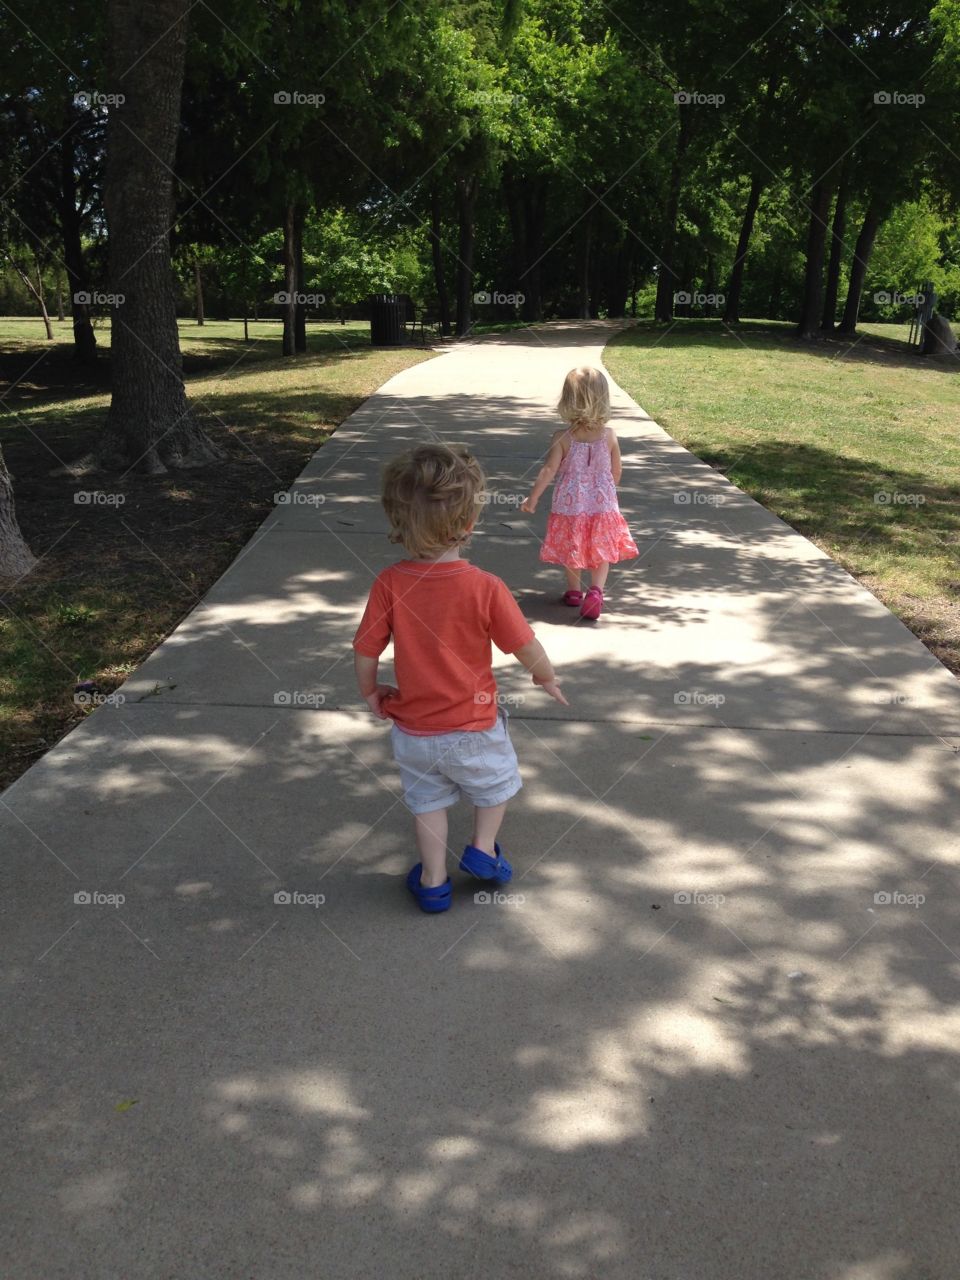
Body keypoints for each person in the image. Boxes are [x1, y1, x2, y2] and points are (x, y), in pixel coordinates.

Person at [353, 442, 567, 914]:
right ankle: (484, 849)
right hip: (475, 726)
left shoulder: (389, 583)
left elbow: (366, 647)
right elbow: (523, 645)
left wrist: (370, 691)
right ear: (469, 524)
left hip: (415, 730)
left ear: (397, 521)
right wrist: (544, 677)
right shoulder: (484, 586)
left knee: (427, 803)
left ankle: (432, 881)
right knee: (494, 788)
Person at [521, 366, 638, 619]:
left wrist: (534, 497)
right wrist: (608, 491)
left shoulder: (561, 437)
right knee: (601, 547)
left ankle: (574, 592)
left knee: (572, 545)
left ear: (568, 400)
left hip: (570, 505)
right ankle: (596, 591)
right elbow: (617, 470)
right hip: (602, 504)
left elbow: (549, 469)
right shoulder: (609, 436)